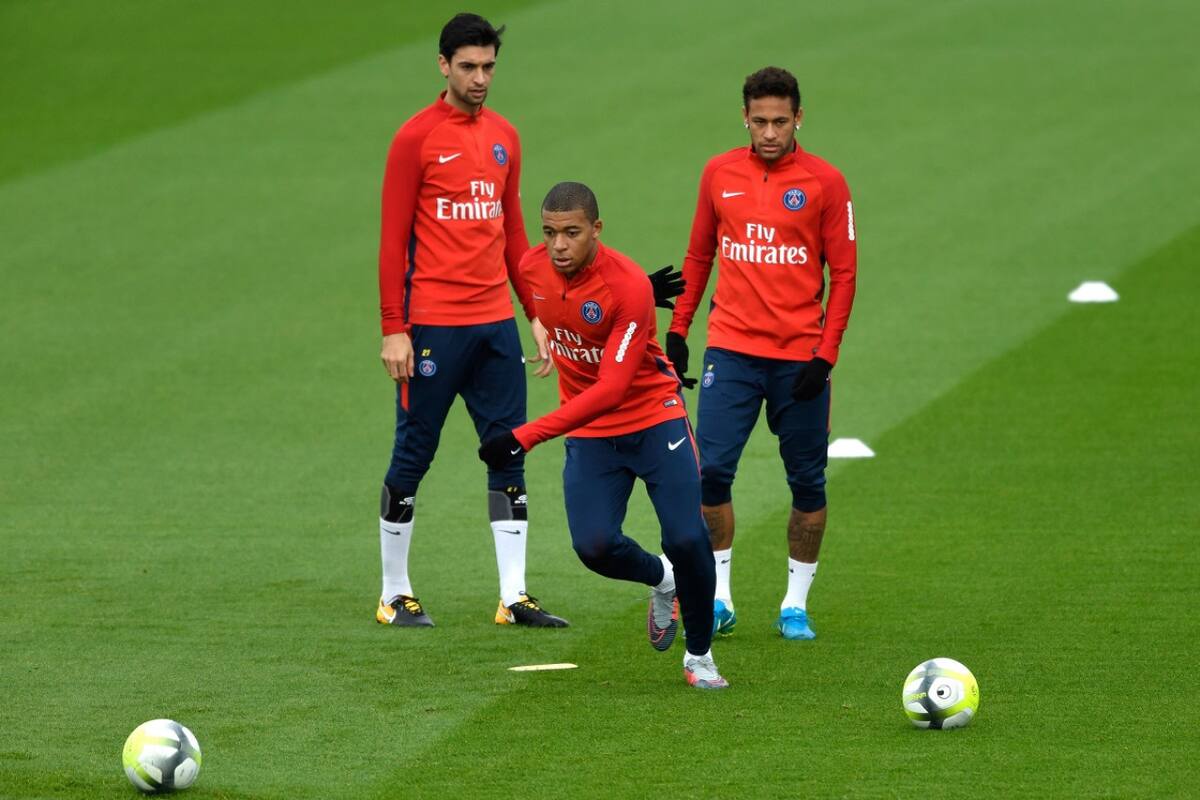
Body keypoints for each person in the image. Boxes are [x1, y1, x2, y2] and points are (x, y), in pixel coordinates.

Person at [479, 182, 728, 689]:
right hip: (591, 433)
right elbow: (554, 308)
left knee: (686, 536)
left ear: (597, 228)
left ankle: (699, 657)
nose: (559, 245)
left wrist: (524, 436)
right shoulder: (530, 268)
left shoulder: (627, 285)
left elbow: (613, 388)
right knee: (593, 546)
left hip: (654, 419)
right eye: (549, 233)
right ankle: (665, 581)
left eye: (572, 233)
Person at [374, 13, 568, 628]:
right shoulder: (415, 140)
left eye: (488, 66)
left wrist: (535, 312)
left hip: (494, 328)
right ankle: (393, 592)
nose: (481, 78)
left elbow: (513, 235)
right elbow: (391, 241)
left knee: (509, 453)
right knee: (414, 455)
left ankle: (514, 596)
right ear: (443, 65)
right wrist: (393, 327)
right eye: (469, 67)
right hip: (432, 328)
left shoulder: (505, 135)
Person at [665, 67, 858, 640]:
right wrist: (679, 330)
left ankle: (795, 604)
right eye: (759, 122)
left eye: (780, 121)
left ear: (799, 118)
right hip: (731, 349)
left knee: (807, 481)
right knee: (712, 473)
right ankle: (720, 595)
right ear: (744, 119)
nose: (769, 133)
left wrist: (825, 356)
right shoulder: (718, 173)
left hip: (800, 359)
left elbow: (844, 275)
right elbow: (699, 256)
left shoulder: (826, 183)